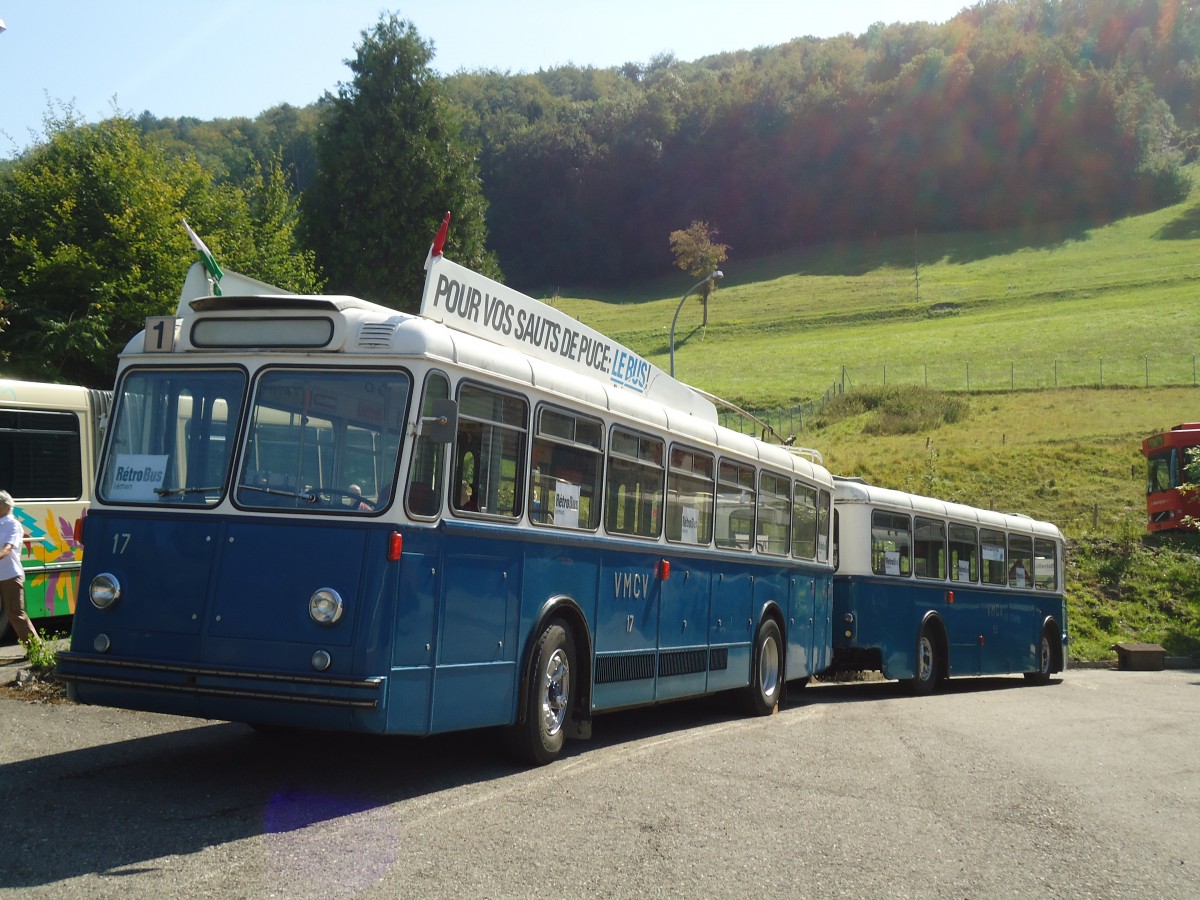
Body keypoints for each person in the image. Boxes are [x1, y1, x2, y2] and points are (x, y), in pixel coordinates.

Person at [0, 490, 38, 645]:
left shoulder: (13, 524)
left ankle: (36, 649)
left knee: (16, 614)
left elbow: (7, 549)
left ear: (5, 505)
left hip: (10, 575)